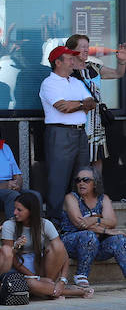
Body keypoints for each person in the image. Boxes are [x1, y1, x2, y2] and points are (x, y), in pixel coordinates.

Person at [2, 193, 93, 301]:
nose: (14, 212)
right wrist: (36, 278)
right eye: (15, 208)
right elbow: (10, 257)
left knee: (56, 246)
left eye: (19, 210)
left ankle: (47, 289)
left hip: (39, 265)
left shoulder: (45, 224)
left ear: (31, 211)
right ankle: (74, 292)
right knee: (31, 284)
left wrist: (62, 281)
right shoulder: (9, 225)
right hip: (19, 269)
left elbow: (63, 253)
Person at [39, 45, 95, 219]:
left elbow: (92, 103)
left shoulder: (77, 82)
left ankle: (80, 219)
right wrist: (80, 104)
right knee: (58, 180)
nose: (73, 61)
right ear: (58, 62)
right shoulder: (49, 83)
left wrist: (75, 104)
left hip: (80, 133)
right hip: (59, 133)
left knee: (82, 178)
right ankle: (54, 224)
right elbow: (62, 107)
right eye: (69, 58)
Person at [65, 34, 125, 173]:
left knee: (97, 158)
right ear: (72, 50)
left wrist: (122, 61)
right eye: (82, 47)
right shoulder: (66, 71)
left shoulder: (94, 67)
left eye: (87, 46)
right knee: (78, 162)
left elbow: (118, 74)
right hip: (76, 124)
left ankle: (97, 191)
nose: (86, 50)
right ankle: (78, 192)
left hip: (96, 123)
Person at [59, 167, 126, 288]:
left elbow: (112, 222)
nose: (81, 183)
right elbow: (79, 224)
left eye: (85, 180)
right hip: (71, 243)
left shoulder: (103, 198)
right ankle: (81, 275)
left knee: (120, 239)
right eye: (78, 180)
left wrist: (95, 219)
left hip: (97, 245)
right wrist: (105, 230)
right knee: (88, 235)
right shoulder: (71, 198)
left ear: (95, 183)